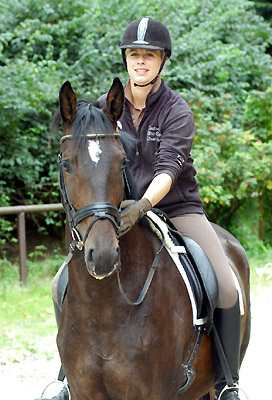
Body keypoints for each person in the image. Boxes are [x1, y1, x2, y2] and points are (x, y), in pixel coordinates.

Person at [39, 17, 242, 400]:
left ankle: (226, 382)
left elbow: (168, 169)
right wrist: (112, 209)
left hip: (177, 207)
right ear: (126, 59)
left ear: (163, 60)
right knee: (61, 283)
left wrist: (144, 206)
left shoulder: (176, 111)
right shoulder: (103, 110)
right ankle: (68, 376)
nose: (141, 62)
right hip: (114, 211)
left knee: (226, 287)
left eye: (149, 55)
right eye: (135, 54)